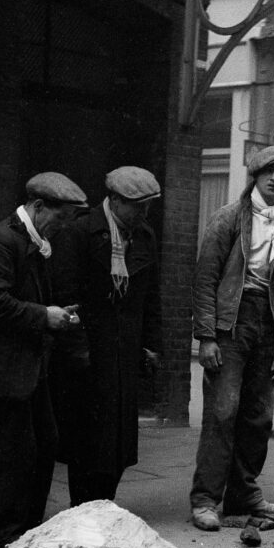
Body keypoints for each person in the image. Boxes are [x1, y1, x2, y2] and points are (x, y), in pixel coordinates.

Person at [0, 171, 87, 548]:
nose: (63, 228)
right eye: (60, 218)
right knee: (7, 453)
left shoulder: (31, 242)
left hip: (28, 368)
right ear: (38, 207)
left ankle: (25, 530)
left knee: (42, 444)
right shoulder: (1, 241)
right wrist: (44, 316)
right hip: (4, 368)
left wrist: (54, 314)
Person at [190, 145, 274, 532]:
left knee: (258, 416)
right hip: (231, 324)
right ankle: (205, 499)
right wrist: (207, 336)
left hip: (268, 325)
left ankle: (243, 494)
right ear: (255, 176)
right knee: (223, 411)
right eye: (268, 171)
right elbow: (205, 278)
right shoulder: (228, 218)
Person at [50, 166, 162, 505]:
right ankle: (83, 509)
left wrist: (151, 345)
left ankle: (105, 505)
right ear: (114, 200)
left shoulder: (143, 235)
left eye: (147, 206)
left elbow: (150, 297)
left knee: (118, 442)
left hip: (124, 352)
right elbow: (66, 294)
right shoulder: (80, 233)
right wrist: (78, 352)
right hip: (89, 353)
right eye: (137, 205)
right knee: (87, 442)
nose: (143, 213)